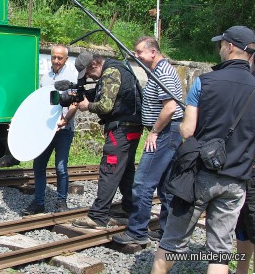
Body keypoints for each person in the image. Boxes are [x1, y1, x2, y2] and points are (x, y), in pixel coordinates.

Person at [151, 26, 255, 274]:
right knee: (219, 251)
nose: (219, 48)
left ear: (230, 46)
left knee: (172, 242)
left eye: (221, 44)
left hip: (198, 176)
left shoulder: (205, 82)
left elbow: (187, 130)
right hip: (235, 181)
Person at [112, 36, 184, 245]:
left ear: (153, 52)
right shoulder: (158, 70)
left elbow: (170, 107)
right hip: (170, 132)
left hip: (165, 133)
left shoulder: (163, 72)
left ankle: (137, 232)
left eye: (139, 52)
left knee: (142, 183)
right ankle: (166, 230)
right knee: (166, 185)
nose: (136, 55)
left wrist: (154, 131)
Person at [71, 53, 143, 229]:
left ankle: (98, 216)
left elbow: (105, 106)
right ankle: (131, 208)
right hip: (132, 127)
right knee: (126, 170)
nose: (88, 77)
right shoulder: (118, 68)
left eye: (88, 72)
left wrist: (87, 106)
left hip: (121, 129)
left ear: (95, 63)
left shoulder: (110, 72)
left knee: (109, 169)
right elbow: (106, 94)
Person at [22, 45, 78, 215]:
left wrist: (65, 119)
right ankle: (39, 202)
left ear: (66, 59)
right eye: (54, 57)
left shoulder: (72, 77)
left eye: (60, 58)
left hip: (64, 129)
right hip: (45, 129)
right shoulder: (45, 77)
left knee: (61, 167)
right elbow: (40, 103)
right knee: (38, 166)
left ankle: (61, 202)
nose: (56, 60)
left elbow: (75, 103)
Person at [236, 50, 255, 274]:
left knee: (254, 224)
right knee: (243, 224)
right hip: (245, 166)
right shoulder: (250, 89)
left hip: (251, 168)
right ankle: (242, 270)